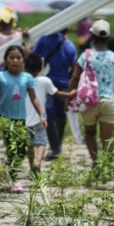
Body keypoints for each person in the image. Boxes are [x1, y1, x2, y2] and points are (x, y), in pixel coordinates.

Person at [68, 19, 114, 162]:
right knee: (107, 138)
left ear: (92, 37)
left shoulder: (85, 55)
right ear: (108, 38)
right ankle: (106, 165)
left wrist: (69, 98)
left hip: (89, 101)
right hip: (109, 102)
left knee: (90, 134)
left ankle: (96, 163)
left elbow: (75, 78)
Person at [0, 45, 47, 192]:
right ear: (5, 61)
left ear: (23, 61)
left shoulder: (27, 78)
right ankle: (15, 181)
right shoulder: (0, 77)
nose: (15, 61)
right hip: (5, 119)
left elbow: (34, 98)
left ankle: (5, 170)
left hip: (21, 119)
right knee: (12, 148)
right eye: (11, 57)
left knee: (22, 149)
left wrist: (41, 114)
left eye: (18, 58)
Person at [24, 52, 76, 172]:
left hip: (25, 119)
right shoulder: (45, 80)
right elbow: (58, 94)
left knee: (29, 145)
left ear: (24, 67)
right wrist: (71, 94)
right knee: (41, 142)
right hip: (40, 118)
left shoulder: (22, 80)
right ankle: (38, 163)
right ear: (41, 68)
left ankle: (32, 165)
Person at [32, 29, 77, 160]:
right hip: (64, 84)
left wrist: (25, 41)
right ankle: (58, 145)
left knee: (50, 116)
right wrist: (71, 84)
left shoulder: (43, 40)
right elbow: (74, 67)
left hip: (47, 83)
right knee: (61, 115)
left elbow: (33, 57)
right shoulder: (69, 45)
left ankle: (55, 147)